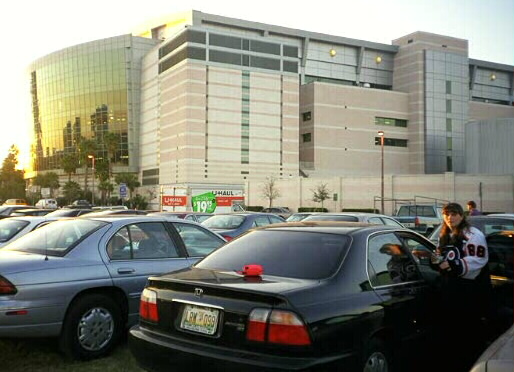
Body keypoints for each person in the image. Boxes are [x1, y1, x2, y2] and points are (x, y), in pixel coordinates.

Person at [433, 202, 491, 370]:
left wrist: (451, 265)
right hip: (450, 290)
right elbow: (439, 256)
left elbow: (477, 261)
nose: (450, 218)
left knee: (469, 334)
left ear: (462, 215)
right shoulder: (444, 234)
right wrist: (433, 261)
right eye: (446, 214)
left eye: (454, 214)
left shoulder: (474, 234)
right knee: (452, 333)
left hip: (469, 292)